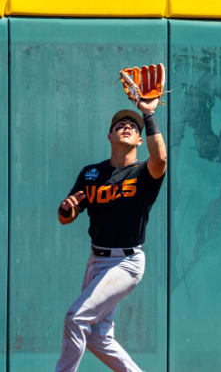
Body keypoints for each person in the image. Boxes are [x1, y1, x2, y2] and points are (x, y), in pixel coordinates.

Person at [54, 97, 166, 372]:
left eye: (133, 126)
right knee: (98, 337)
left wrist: (147, 115)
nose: (127, 126)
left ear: (140, 140)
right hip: (97, 261)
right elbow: (67, 217)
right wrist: (66, 209)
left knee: (76, 318)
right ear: (109, 135)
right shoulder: (92, 173)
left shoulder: (143, 172)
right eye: (120, 125)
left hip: (126, 262)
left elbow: (160, 158)